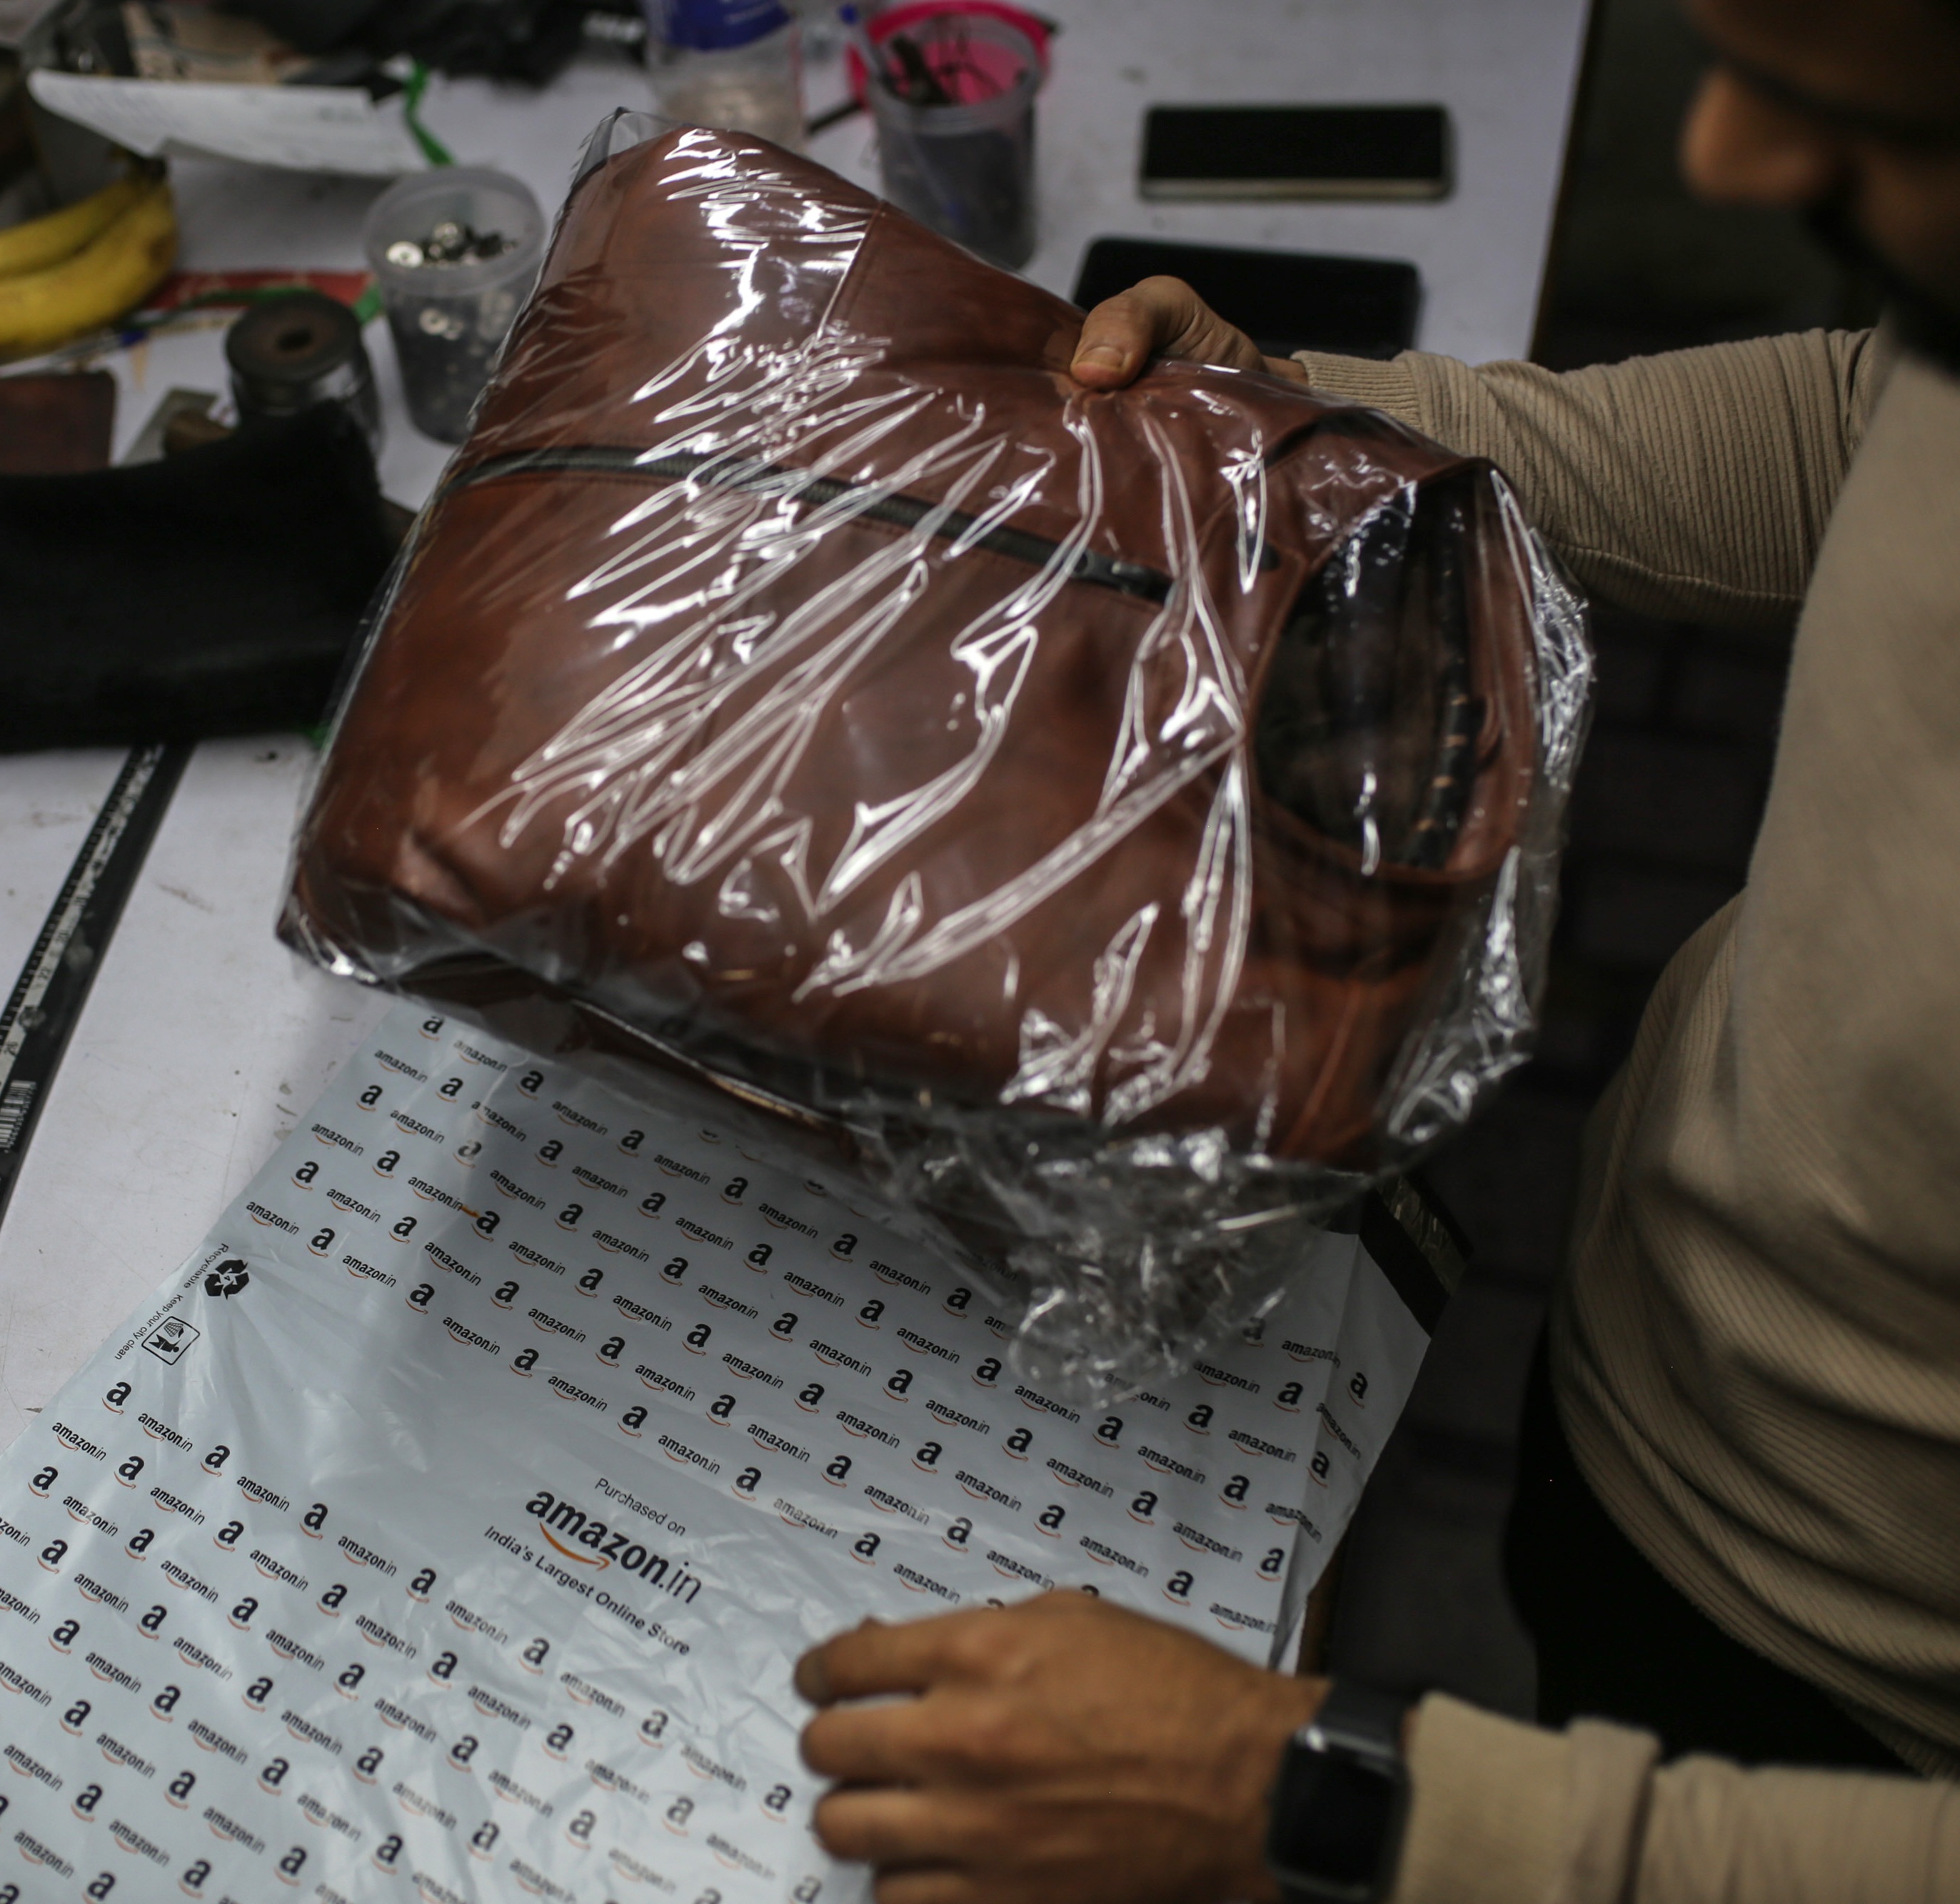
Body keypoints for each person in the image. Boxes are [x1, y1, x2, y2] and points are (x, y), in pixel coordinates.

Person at [791, 0, 1960, 1897]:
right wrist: (1297, 430)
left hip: (1857, 1691)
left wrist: (1344, 1803)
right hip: (1651, 1372)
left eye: (1860, 106)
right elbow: (1873, 416)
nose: (1724, 156)